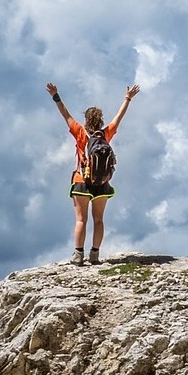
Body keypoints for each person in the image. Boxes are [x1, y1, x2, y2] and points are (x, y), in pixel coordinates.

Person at [46, 82, 139, 265]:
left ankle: (78, 255)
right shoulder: (106, 134)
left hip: (81, 181)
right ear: (100, 120)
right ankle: (95, 254)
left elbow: (65, 114)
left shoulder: (80, 133)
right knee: (99, 220)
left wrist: (56, 96)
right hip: (102, 183)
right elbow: (119, 117)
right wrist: (127, 99)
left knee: (81, 219)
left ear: (86, 121)